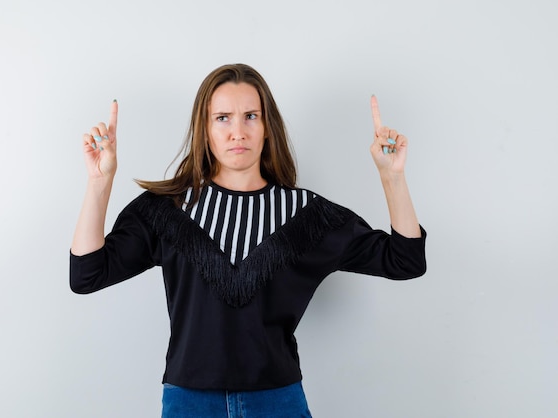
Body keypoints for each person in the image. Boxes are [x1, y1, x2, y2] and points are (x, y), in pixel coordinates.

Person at [69, 63, 427, 418]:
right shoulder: (168, 210)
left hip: (277, 402)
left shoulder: (307, 215)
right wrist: (99, 183)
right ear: (204, 129)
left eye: (250, 116)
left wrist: (392, 177)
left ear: (267, 127)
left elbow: (406, 260)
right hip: (190, 403)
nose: (237, 132)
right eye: (222, 118)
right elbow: (87, 274)